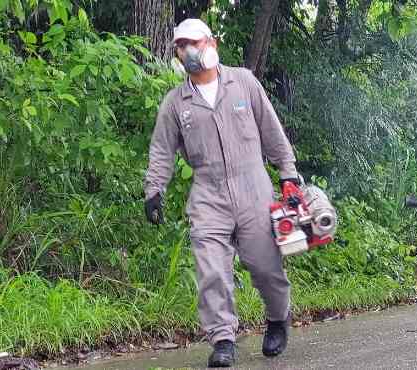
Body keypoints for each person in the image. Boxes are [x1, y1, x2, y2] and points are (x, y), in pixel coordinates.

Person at [143, 18, 299, 368]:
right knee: (212, 269)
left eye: (194, 43)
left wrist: (288, 175)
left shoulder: (242, 82)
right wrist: (154, 190)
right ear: (177, 54)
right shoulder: (175, 103)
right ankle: (223, 340)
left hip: (253, 186)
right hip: (208, 192)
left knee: (264, 266)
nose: (189, 51)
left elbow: (272, 131)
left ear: (211, 43)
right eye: (182, 46)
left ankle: (278, 319)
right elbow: (161, 151)